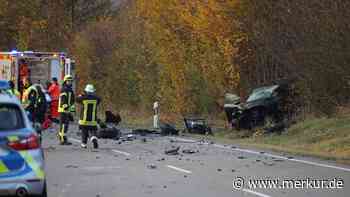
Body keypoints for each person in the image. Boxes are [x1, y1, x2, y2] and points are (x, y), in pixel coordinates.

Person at [76, 84, 101, 149]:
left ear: (86, 91)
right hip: (93, 120)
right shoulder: (96, 99)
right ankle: (93, 138)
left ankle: (84, 144)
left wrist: (81, 95)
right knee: (93, 130)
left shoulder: (83, 98)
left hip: (84, 120)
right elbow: (99, 99)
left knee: (84, 131)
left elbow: (77, 99)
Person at [57, 75, 75, 145]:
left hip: (67, 110)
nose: (70, 82)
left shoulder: (70, 90)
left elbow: (72, 100)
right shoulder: (64, 89)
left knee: (66, 125)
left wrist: (71, 111)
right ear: (65, 81)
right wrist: (65, 107)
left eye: (71, 81)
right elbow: (63, 100)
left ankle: (64, 138)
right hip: (63, 110)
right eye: (68, 81)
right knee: (63, 125)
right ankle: (62, 140)